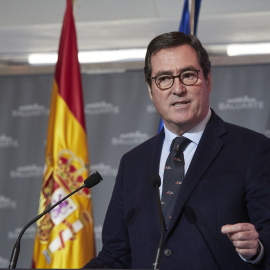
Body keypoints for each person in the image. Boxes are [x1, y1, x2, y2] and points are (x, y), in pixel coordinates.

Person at [84, 32, 270, 269]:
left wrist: (258, 249)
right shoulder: (133, 163)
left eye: (188, 75)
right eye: (163, 78)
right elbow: (116, 256)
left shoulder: (253, 150)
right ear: (151, 90)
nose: (178, 89)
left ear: (208, 80)